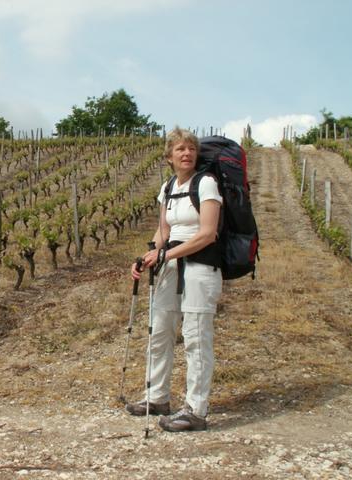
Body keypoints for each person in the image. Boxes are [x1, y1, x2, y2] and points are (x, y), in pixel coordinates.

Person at [126, 127, 223, 432]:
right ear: (169, 156)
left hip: (200, 267)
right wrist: (148, 255)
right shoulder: (167, 188)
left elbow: (208, 234)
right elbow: (163, 232)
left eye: (191, 149)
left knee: (195, 337)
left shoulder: (206, 184)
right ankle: (157, 398)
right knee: (159, 331)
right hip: (169, 266)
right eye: (180, 149)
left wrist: (167, 255)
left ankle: (196, 410)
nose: (187, 153)